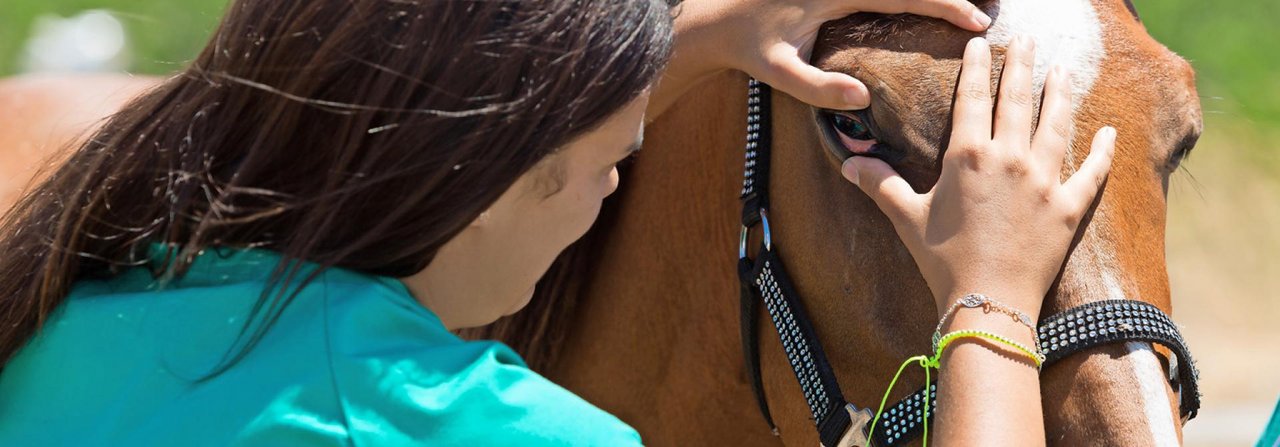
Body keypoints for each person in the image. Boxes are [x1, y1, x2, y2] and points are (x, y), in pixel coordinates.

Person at [0, 0, 1113, 446]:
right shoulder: (477, 426)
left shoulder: (77, 308)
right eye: (607, 162)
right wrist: (990, 302)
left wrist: (713, 26)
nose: (615, 195)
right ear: (479, 174)